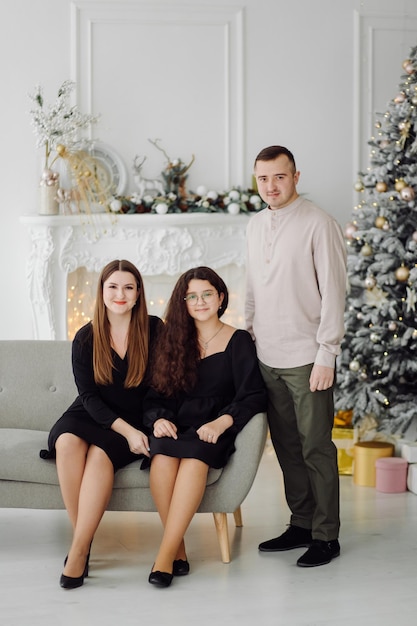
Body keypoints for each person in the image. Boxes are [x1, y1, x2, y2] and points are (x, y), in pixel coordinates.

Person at [245, 146, 347, 568]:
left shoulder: (319, 224)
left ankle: (326, 535)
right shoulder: (253, 225)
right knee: (286, 447)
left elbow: (335, 294)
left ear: (296, 176)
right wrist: (247, 339)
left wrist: (328, 353)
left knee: (316, 448)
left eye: (279, 177)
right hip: (267, 354)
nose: (271, 186)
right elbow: (251, 284)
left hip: (308, 357)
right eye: (263, 179)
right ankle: (301, 523)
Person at [40, 259, 162, 589]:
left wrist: (138, 429)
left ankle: (78, 549)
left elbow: (158, 389)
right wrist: (125, 430)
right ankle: (83, 543)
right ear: (102, 292)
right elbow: (89, 397)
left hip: (135, 418)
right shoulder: (85, 336)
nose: (120, 294)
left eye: (128, 287)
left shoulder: (155, 329)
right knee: (66, 441)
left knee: (99, 456)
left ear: (138, 294)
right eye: (113, 286)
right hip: (91, 413)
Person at [143, 266, 267, 587]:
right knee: (161, 456)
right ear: (183, 302)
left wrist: (223, 421)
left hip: (214, 426)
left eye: (207, 294)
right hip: (176, 423)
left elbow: (253, 393)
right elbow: (155, 392)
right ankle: (178, 549)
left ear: (221, 297)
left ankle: (163, 558)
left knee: (196, 455)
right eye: (192, 296)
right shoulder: (173, 340)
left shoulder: (238, 340)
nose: (200, 302)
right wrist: (158, 419)